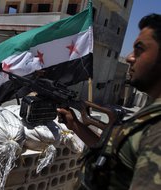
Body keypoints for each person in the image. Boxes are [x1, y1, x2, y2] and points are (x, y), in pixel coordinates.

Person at [57, 13, 161, 190]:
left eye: (139, 49)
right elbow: (113, 157)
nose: (129, 57)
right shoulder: (151, 114)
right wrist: (75, 125)